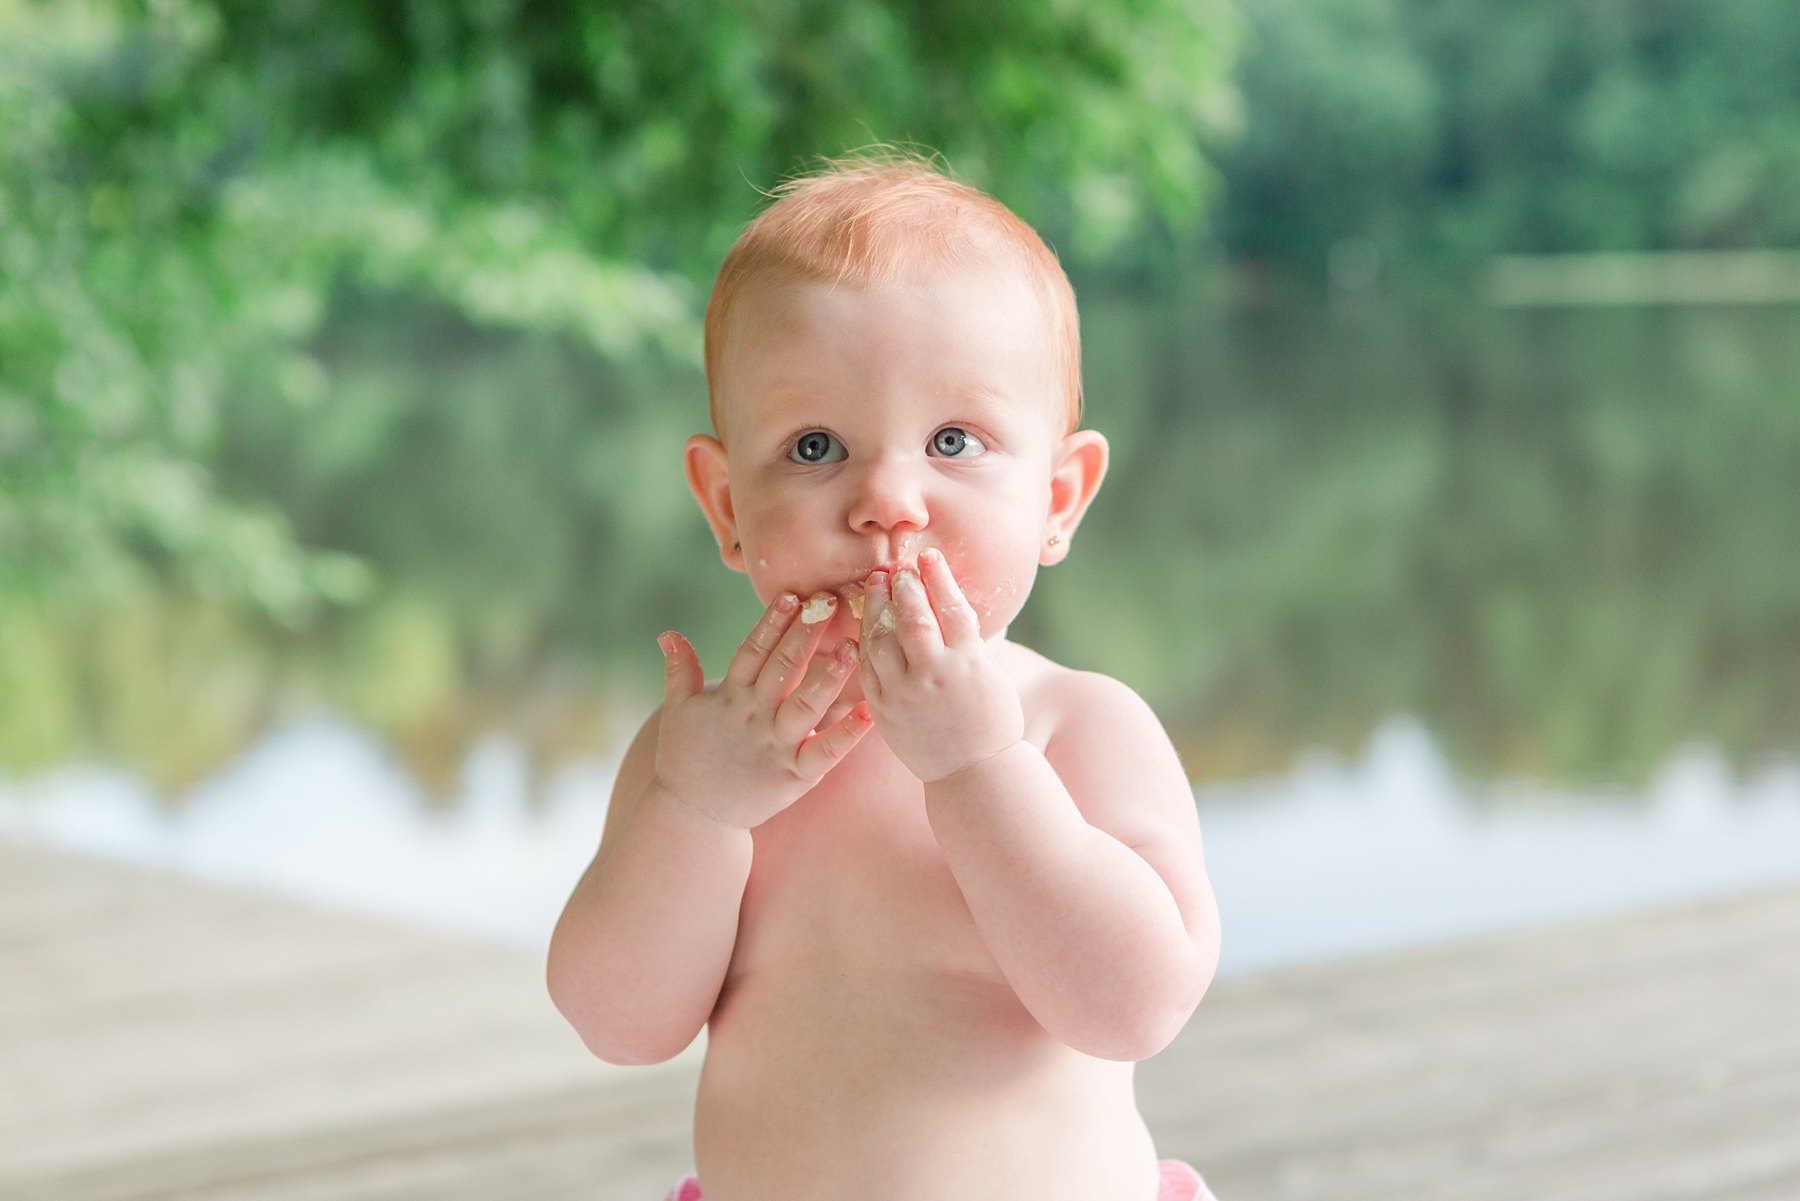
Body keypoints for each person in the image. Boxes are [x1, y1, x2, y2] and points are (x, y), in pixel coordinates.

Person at [547, 154, 1222, 1201]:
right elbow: (617, 1023)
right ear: (727, 506)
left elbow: (1136, 1005)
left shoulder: (1074, 728)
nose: (887, 498)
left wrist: (980, 768)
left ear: (1057, 498)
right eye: (815, 445)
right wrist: (697, 808)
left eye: (955, 440)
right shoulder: (702, 753)